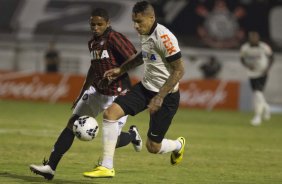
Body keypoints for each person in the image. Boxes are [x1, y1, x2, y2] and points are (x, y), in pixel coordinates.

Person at [29, 8, 143, 180]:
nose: (96, 27)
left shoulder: (114, 38)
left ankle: (132, 135)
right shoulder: (92, 43)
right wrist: (82, 91)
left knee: (113, 139)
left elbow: (136, 58)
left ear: (108, 23)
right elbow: (94, 67)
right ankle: (50, 167)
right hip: (96, 91)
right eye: (93, 24)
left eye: (100, 24)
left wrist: (118, 71)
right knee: (72, 123)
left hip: (117, 94)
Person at [83, 1, 186, 178]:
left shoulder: (165, 38)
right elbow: (142, 56)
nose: (135, 26)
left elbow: (179, 70)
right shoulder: (146, 33)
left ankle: (178, 145)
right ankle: (107, 166)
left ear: (151, 18)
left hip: (166, 96)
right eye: (134, 21)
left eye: (139, 21)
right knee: (110, 114)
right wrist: (120, 70)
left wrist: (160, 97)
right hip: (145, 89)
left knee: (153, 147)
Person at [240, 31, 274, 126]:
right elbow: (242, 59)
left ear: (258, 38)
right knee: (256, 93)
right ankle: (266, 107)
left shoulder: (264, 47)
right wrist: (247, 65)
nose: (254, 39)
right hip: (252, 73)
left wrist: (267, 68)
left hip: (262, 72)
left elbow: (271, 57)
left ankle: (257, 116)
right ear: (249, 38)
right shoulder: (245, 48)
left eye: (255, 37)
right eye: (252, 37)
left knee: (258, 92)